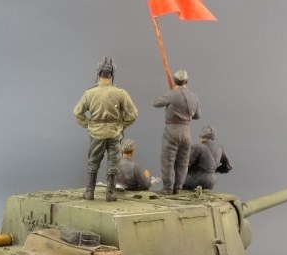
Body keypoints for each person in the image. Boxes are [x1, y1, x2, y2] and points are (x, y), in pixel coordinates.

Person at [74, 57, 138, 201]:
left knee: (93, 162)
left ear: (98, 73)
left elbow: (77, 112)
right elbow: (133, 114)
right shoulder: (120, 93)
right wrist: (121, 125)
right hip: (114, 132)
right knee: (114, 162)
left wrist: (88, 125)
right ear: (112, 75)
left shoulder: (89, 93)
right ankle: (110, 193)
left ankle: (89, 192)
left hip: (96, 133)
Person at [153, 69, 200, 194]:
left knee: (167, 161)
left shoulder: (172, 94)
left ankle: (168, 189)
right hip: (186, 132)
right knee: (183, 162)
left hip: (172, 131)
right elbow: (197, 116)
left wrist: (169, 94)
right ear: (186, 81)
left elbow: (156, 103)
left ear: (174, 81)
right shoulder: (194, 97)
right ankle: (178, 188)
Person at [183, 125, 233, 190]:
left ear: (201, 135)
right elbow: (228, 166)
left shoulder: (197, 147)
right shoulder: (220, 148)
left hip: (196, 180)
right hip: (213, 180)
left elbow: (185, 164)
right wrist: (214, 171)